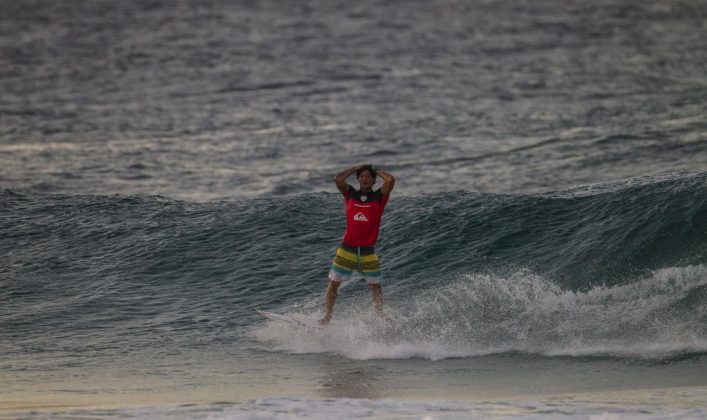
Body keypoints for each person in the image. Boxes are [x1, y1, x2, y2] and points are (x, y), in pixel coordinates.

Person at [319, 164, 395, 325]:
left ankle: (379, 317)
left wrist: (375, 170)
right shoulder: (350, 194)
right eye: (362, 176)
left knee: (376, 288)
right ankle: (327, 317)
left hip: (368, 252)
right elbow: (338, 179)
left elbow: (390, 180)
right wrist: (354, 169)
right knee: (333, 284)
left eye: (368, 176)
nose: (365, 178)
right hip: (347, 249)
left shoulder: (379, 197)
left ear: (374, 180)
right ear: (358, 179)